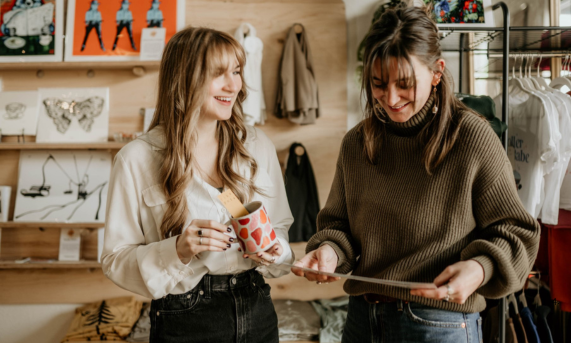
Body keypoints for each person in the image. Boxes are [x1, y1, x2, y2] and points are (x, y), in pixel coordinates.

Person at [293, 5, 540, 343]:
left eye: (404, 84)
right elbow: (338, 227)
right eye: (378, 84)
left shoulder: (471, 137)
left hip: (439, 325)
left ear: (437, 72)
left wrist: (480, 268)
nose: (390, 98)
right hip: (362, 321)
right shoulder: (356, 143)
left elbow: (517, 232)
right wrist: (330, 253)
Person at [102, 27, 294, 343]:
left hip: (257, 309)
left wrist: (274, 250)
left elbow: (280, 228)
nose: (235, 85)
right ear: (184, 80)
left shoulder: (258, 145)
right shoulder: (135, 159)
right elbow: (115, 259)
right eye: (219, 74)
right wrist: (176, 249)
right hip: (184, 320)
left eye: (236, 71)